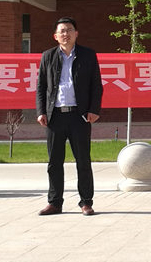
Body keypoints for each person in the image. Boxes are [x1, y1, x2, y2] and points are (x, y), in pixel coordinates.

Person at [36, 17, 103, 216]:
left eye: (69, 30)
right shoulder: (48, 56)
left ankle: (86, 202)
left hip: (79, 116)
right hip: (55, 116)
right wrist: (41, 111)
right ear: (55, 36)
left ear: (76, 34)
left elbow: (96, 85)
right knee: (54, 162)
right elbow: (41, 87)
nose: (66, 34)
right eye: (62, 31)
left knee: (83, 161)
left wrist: (94, 110)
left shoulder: (88, 55)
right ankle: (55, 202)